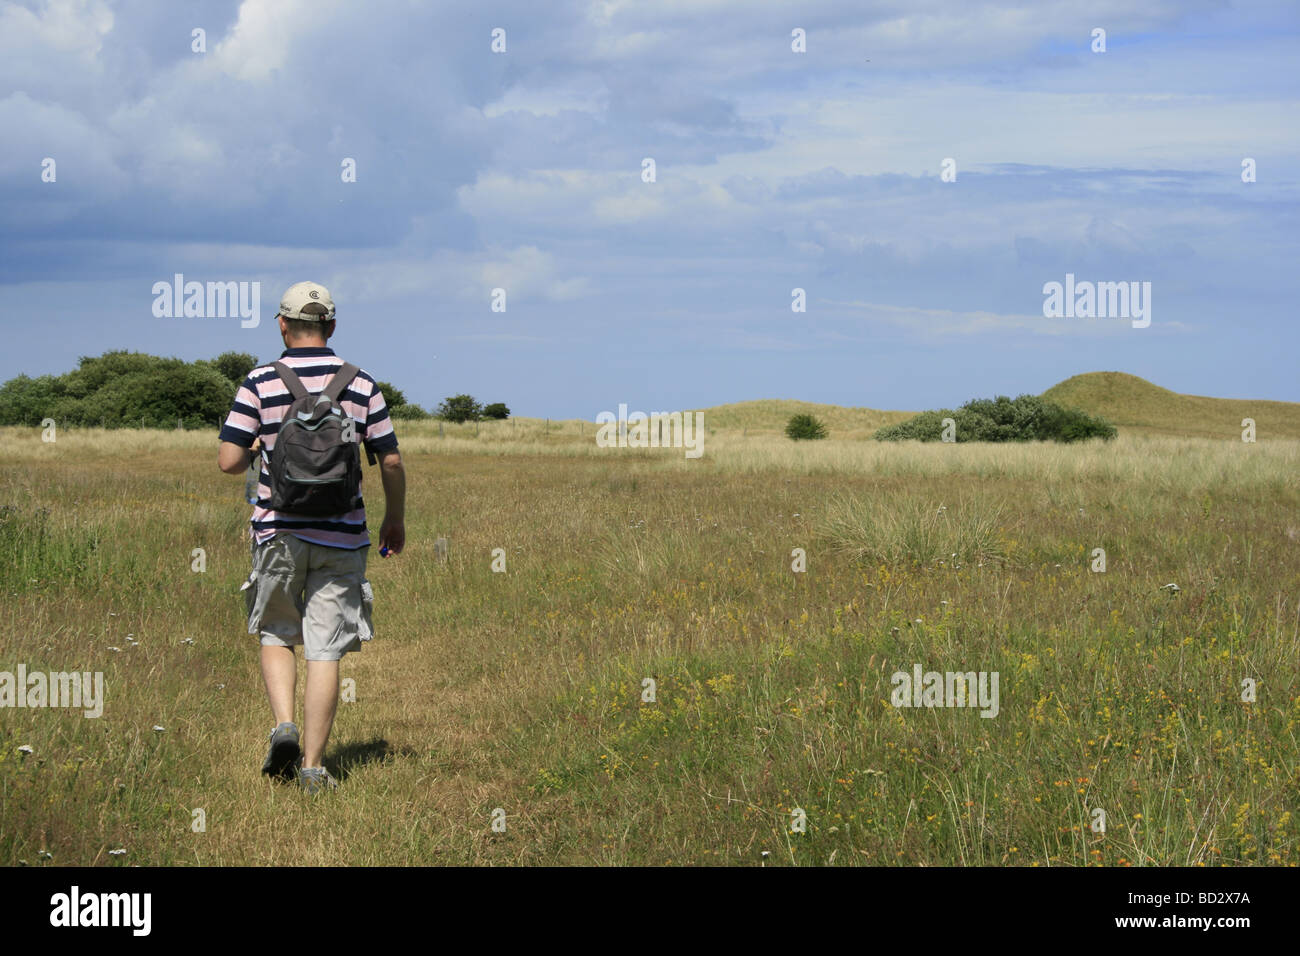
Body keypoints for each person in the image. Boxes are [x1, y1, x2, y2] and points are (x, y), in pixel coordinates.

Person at [217, 281, 406, 794]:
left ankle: (284, 727)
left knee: (277, 633)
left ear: (282, 325)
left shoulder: (258, 381)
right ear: (333, 327)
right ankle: (314, 769)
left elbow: (229, 462)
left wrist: (259, 443)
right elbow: (389, 458)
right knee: (325, 649)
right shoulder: (362, 384)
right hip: (342, 534)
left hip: (277, 532)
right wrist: (395, 520)